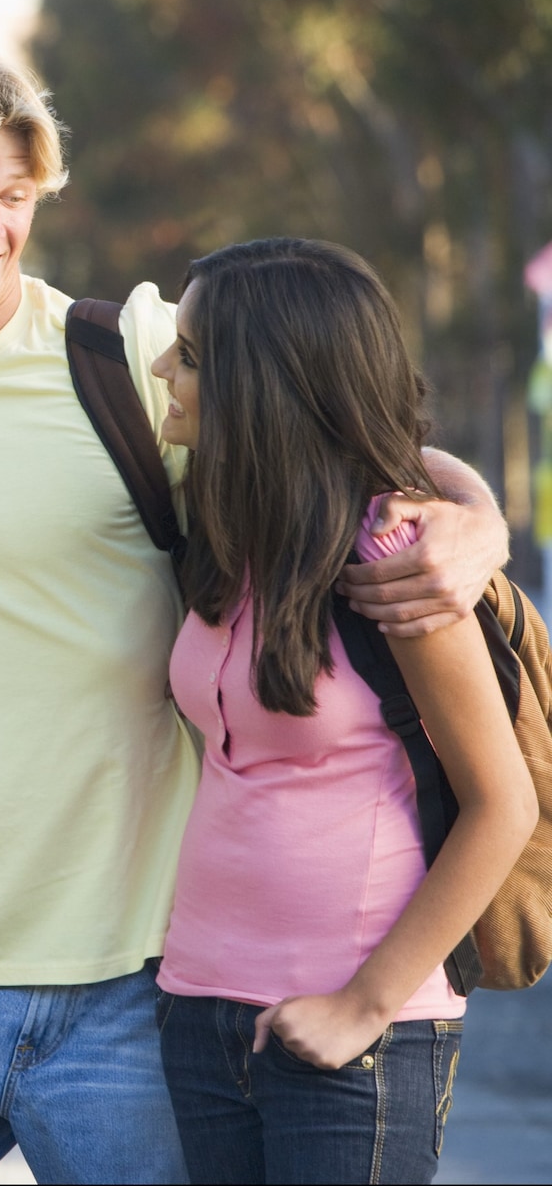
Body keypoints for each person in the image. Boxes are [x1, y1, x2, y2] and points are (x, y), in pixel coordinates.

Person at [0, 47, 512, 1185]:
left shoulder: (116, 351)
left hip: (143, 977)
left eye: (13, 194)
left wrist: (475, 517)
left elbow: (316, 413)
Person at [147, 237, 535, 1185]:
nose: (162, 367)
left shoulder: (392, 556)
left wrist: (363, 1004)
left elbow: (503, 803)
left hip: (361, 1028)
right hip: (200, 1007)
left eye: (191, 355)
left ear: (263, 385)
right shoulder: (223, 529)